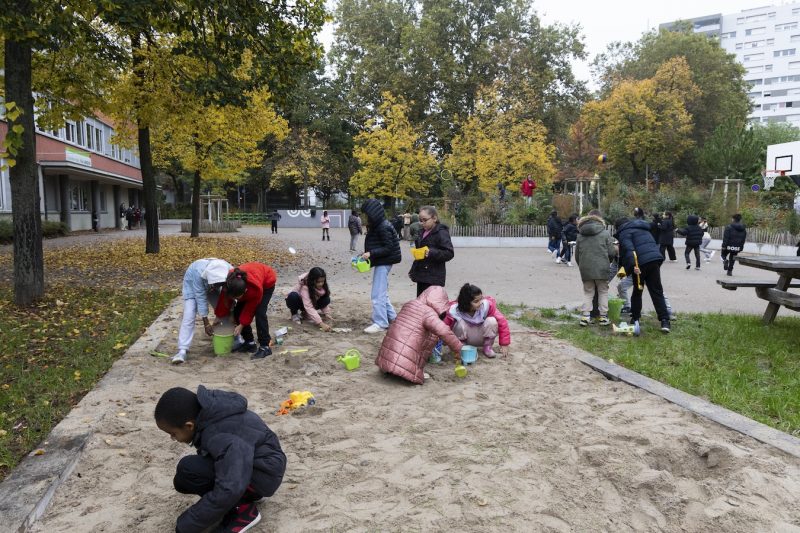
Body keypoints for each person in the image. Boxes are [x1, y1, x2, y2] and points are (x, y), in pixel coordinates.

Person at [155, 385, 286, 533]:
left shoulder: (219, 436)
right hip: (253, 465)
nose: (173, 438)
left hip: (264, 474)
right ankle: (247, 496)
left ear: (189, 426)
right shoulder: (211, 416)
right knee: (184, 478)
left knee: (190, 470)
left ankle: (244, 512)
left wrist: (187, 524)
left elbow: (231, 487)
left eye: (173, 433)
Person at [375, 286, 463, 384]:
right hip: (405, 364)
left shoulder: (409, 304)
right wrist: (458, 348)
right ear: (440, 302)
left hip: (386, 358)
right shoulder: (428, 313)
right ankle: (406, 370)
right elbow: (444, 332)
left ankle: (389, 367)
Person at [615, 217, 671, 334]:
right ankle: (665, 321)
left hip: (639, 264)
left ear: (619, 227)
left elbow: (630, 251)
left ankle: (635, 318)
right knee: (657, 291)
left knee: (637, 291)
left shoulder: (624, 232)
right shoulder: (643, 228)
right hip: (655, 260)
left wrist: (632, 268)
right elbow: (651, 245)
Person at [173, 258, 232, 364]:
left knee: (224, 307)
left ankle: (234, 337)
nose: (216, 287)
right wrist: (206, 323)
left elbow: (230, 296)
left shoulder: (229, 270)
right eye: (215, 284)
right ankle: (182, 350)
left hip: (212, 283)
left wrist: (223, 313)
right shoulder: (198, 273)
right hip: (192, 284)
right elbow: (200, 298)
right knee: (189, 314)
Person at [215, 262, 277, 359]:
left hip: (266, 282)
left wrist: (241, 325)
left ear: (245, 291)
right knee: (237, 311)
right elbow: (224, 299)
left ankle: (265, 347)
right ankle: (250, 343)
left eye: (238, 297)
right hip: (250, 278)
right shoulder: (230, 283)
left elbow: (249, 309)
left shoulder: (254, 290)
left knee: (260, 313)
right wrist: (219, 316)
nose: (237, 299)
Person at [361, 199, 402, 333]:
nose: (366, 217)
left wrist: (371, 253)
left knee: (377, 294)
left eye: (367, 215)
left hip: (384, 262)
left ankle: (380, 322)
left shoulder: (383, 226)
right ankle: (393, 318)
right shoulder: (379, 225)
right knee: (382, 293)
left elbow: (388, 248)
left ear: (373, 213)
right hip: (382, 262)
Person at [444, 283, 511, 358]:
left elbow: (502, 322)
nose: (480, 303)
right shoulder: (454, 311)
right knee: (459, 324)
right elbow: (443, 328)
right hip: (463, 339)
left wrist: (504, 344)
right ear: (466, 303)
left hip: (481, 338)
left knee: (491, 321)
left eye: (481, 299)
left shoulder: (487, 307)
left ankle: (487, 347)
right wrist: (442, 342)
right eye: (476, 301)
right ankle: (462, 347)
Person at [575, 210, 616, 326]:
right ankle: (603, 317)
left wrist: (582, 266)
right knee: (603, 291)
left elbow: (577, 255)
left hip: (585, 268)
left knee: (588, 292)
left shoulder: (580, 235)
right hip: (602, 268)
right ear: (600, 219)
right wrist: (608, 261)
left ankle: (585, 317)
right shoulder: (605, 233)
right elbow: (612, 252)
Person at [409, 205, 454, 296]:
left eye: (425, 220)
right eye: (420, 220)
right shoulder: (421, 232)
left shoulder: (441, 232)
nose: (422, 223)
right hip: (422, 275)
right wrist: (413, 269)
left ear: (434, 218)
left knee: (432, 305)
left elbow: (449, 253)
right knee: (421, 303)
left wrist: (431, 252)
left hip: (434, 276)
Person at [285, 267, 332, 331]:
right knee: (293, 296)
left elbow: (322, 299)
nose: (321, 284)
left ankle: (305, 314)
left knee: (326, 299)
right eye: (318, 282)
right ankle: (294, 314)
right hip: (298, 302)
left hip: (310, 301)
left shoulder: (322, 286)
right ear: (312, 280)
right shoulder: (305, 287)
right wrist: (321, 323)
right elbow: (308, 306)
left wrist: (326, 313)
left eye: (322, 281)